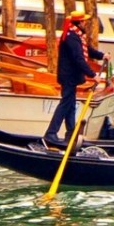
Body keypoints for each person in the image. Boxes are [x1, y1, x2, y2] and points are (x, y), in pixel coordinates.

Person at [44, 11, 102, 144]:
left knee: (70, 105)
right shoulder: (71, 37)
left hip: (71, 76)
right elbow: (78, 58)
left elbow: (87, 50)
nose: (86, 23)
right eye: (84, 21)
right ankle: (51, 133)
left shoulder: (76, 35)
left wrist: (102, 55)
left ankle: (71, 134)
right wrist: (93, 75)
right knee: (65, 104)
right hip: (68, 76)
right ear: (80, 23)